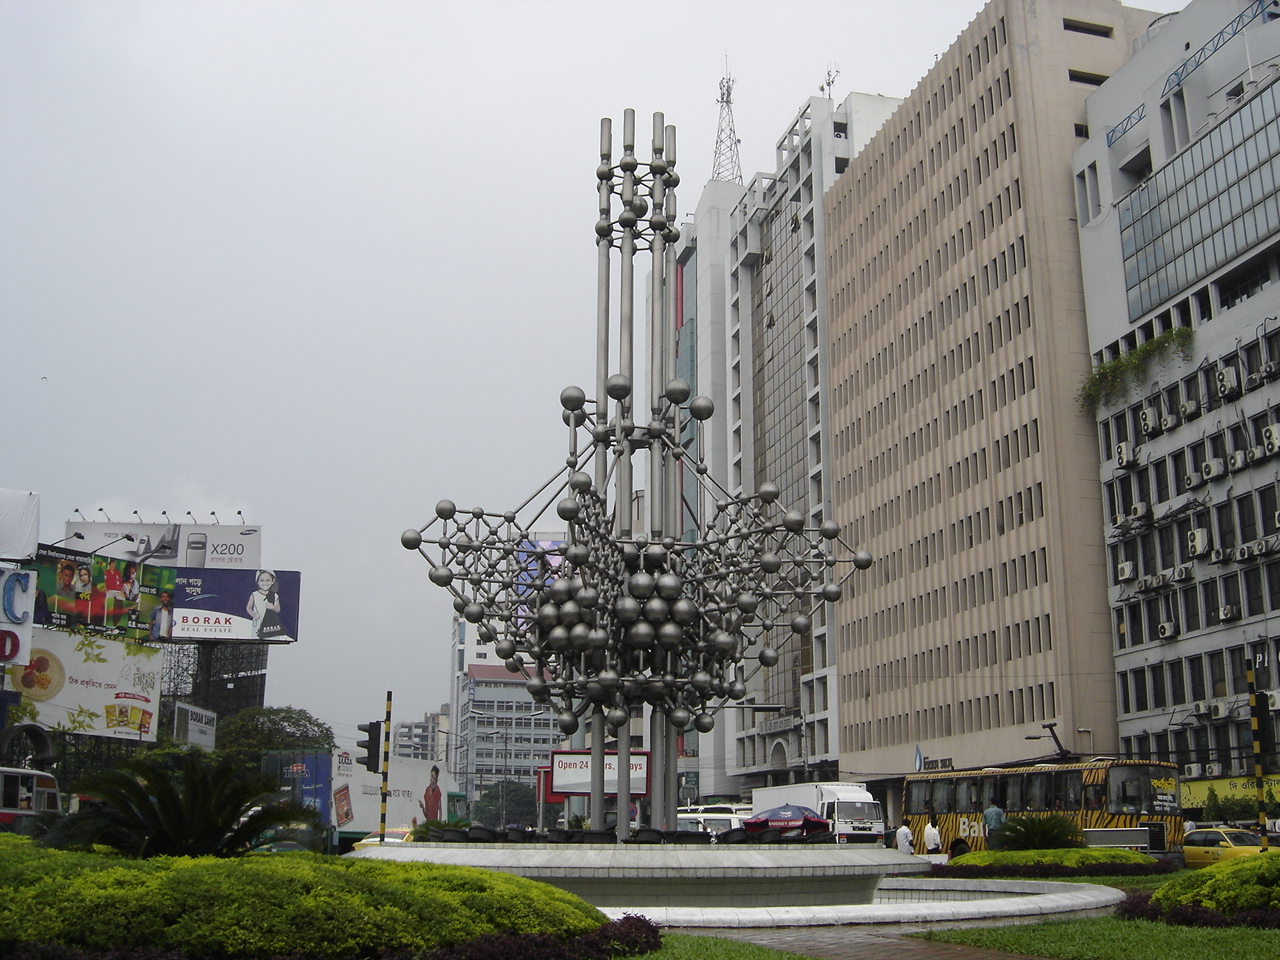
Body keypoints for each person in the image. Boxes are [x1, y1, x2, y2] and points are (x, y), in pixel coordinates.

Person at [246, 569, 285, 639]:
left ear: (272, 581)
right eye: (262, 580)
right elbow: (249, 607)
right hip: (258, 624)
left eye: (268, 580)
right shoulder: (254, 594)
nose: (265, 583)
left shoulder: (275, 595)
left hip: (271, 626)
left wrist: (272, 607)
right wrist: (254, 614)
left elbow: (278, 609)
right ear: (258, 582)